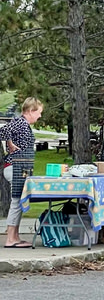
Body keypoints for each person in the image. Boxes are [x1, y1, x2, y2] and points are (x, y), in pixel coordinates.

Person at [1, 97, 43, 248]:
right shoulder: (20, 122)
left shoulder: (22, 124)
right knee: (17, 202)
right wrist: (10, 143)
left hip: (20, 168)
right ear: (31, 111)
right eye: (39, 112)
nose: (39, 116)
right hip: (15, 167)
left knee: (19, 201)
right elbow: (2, 131)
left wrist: (10, 141)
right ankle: (10, 239)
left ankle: (15, 236)